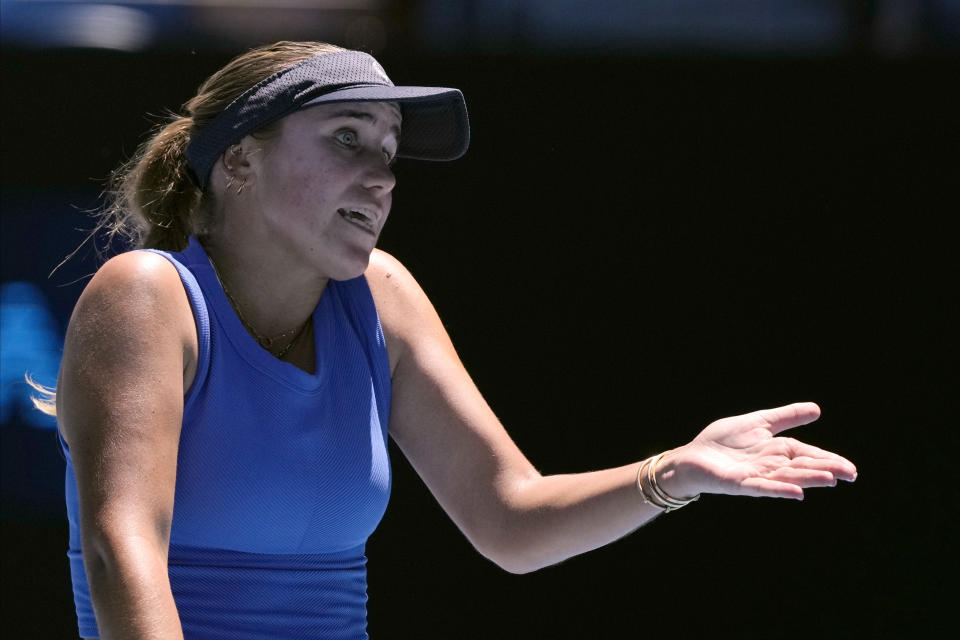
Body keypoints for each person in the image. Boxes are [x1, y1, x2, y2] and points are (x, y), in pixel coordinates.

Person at [40, 41, 857, 639]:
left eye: (390, 152)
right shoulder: (146, 295)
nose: (384, 175)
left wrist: (672, 473)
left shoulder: (381, 297)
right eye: (347, 138)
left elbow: (512, 520)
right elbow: (122, 551)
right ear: (240, 162)